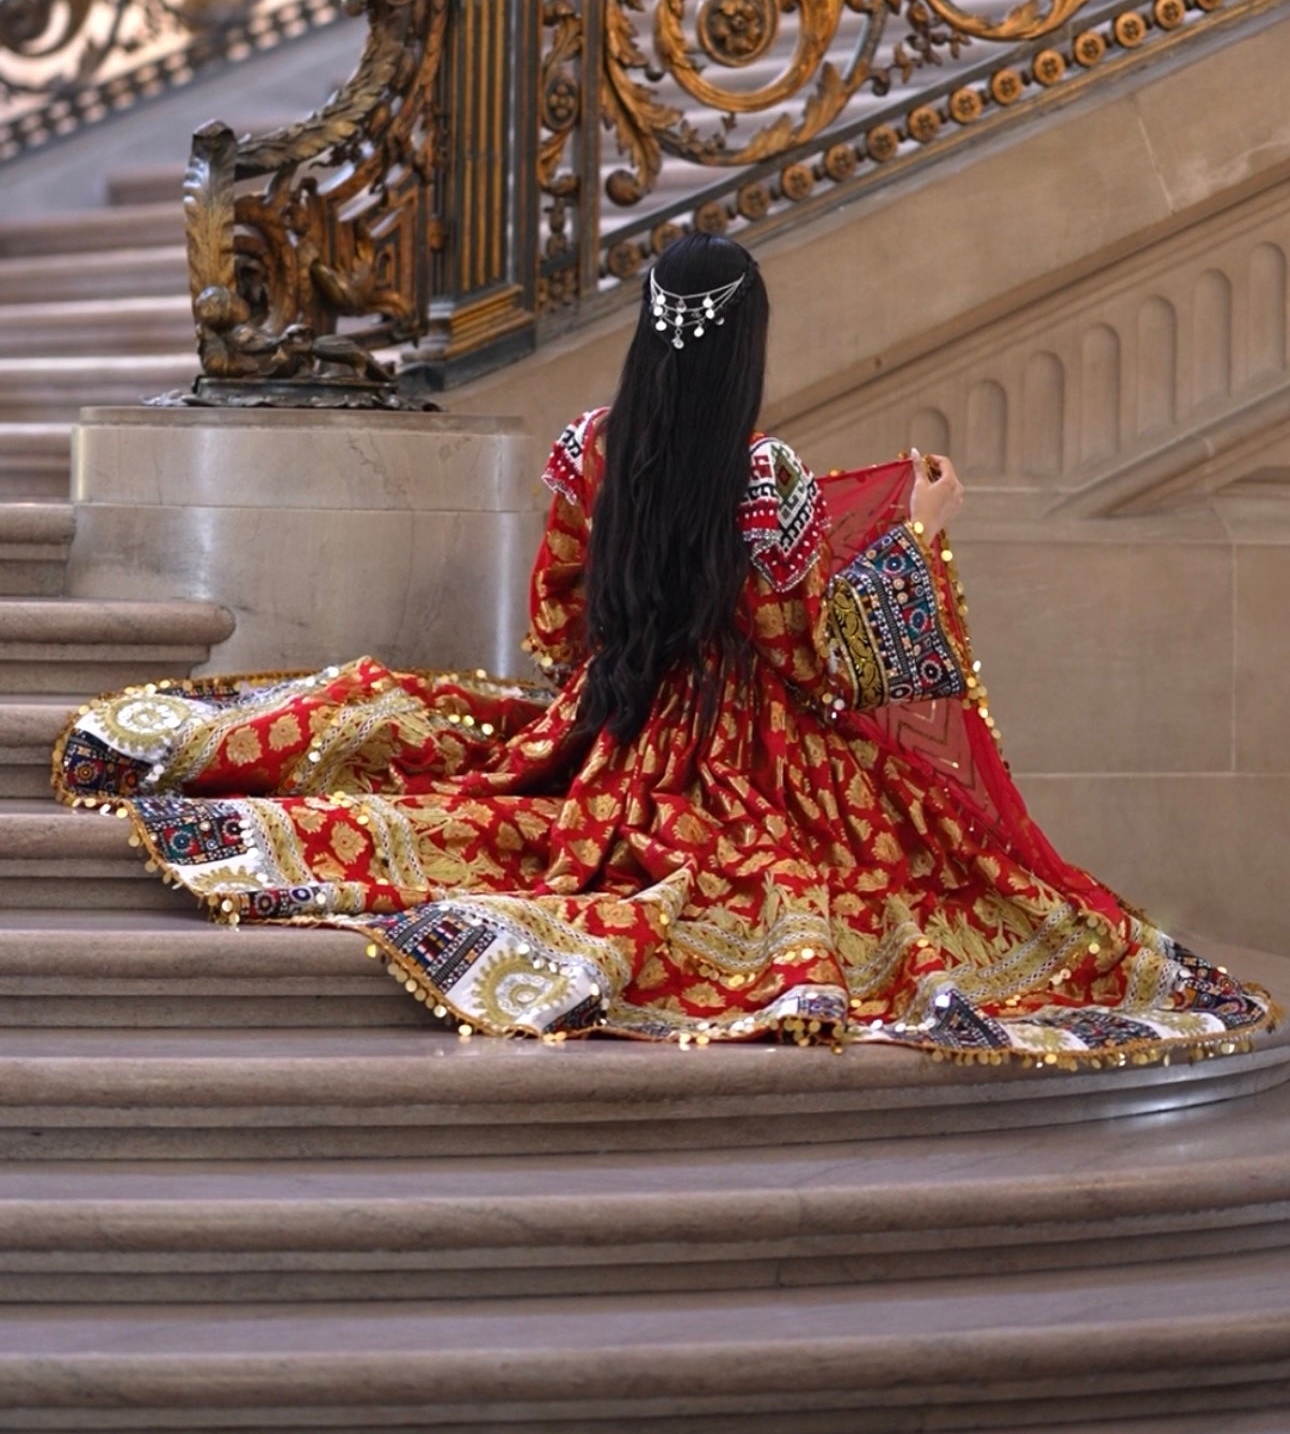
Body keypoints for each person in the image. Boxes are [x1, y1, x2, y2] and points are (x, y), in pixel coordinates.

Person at [53, 232, 1274, 1063]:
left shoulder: (591, 448)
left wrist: (597, 693)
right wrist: (914, 538)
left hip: (607, 726)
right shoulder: (764, 484)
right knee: (932, 881)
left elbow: (553, 620)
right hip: (747, 761)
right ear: (745, 349)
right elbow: (823, 661)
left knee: (473, 799)